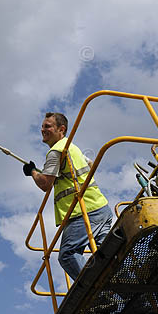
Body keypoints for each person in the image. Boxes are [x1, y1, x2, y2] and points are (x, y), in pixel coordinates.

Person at [23, 112, 113, 281]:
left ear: (61, 129)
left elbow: (45, 185)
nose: (43, 129)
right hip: (101, 208)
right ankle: (122, 286)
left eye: (47, 126)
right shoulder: (72, 147)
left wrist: (33, 172)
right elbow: (91, 164)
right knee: (107, 255)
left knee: (68, 255)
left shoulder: (56, 151)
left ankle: (95, 294)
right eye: (42, 126)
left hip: (83, 211)